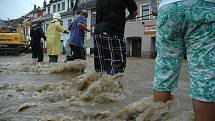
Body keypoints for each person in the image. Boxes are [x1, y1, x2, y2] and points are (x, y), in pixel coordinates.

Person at [149, 0, 215, 121]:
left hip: (168, 9)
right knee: (205, 74)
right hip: (204, 7)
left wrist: (155, 8)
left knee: (164, 72)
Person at [93, 0, 138, 75]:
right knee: (117, 69)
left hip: (98, 33)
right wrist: (126, 19)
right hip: (114, 32)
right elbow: (135, 12)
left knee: (100, 69)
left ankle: (100, 85)